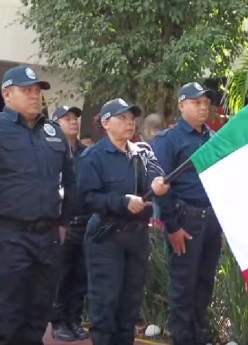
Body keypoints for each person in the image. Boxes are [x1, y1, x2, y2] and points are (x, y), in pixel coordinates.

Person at [0, 65, 75, 344]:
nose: (35, 96)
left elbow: (71, 182)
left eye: (38, 91)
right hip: (6, 238)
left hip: (46, 240)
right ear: (7, 95)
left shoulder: (53, 132)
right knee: (4, 320)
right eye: (27, 90)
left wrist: (63, 223)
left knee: (37, 316)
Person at [77, 98, 169, 345]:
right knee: (105, 302)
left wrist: (157, 184)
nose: (129, 123)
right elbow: (87, 198)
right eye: (122, 118)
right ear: (106, 123)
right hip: (107, 238)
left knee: (130, 302)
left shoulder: (143, 152)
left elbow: (156, 175)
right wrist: (122, 201)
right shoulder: (93, 156)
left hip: (137, 237)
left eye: (131, 118)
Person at [151, 82, 222, 345]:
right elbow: (161, 188)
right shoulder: (168, 141)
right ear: (181, 106)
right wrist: (172, 227)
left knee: (204, 286)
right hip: (184, 221)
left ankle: (197, 337)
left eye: (205, 102)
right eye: (196, 102)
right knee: (184, 288)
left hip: (211, 221)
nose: (203, 107)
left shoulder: (214, 139)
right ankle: (182, 340)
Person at [49, 105, 90, 341]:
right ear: (55, 124)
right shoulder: (50, 150)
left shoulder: (87, 153)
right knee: (61, 276)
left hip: (85, 222)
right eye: (66, 119)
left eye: (75, 118)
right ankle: (57, 321)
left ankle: (74, 319)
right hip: (62, 224)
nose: (73, 122)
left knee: (80, 276)